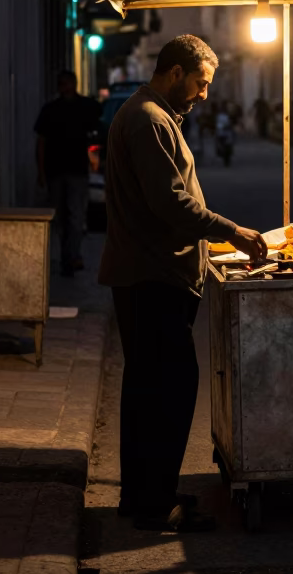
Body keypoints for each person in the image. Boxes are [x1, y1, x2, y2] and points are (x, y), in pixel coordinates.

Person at [98, 35, 268, 533]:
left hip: (150, 275)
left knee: (150, 391)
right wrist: (231, 231)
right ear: (175, 73)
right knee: (166, 392)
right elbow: (172, 203)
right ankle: (153, 506)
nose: (204, 95)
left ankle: (145, 496)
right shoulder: (149, 119)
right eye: (200, 83)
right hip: (151, 279)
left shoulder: (152, 115)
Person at [34, 70, 101, 276]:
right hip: (57, 172)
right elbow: (41, 143)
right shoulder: (51, 110)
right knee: (62, 217)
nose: (62, 87)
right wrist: (41, 171)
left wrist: (94, 159)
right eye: (60, 84)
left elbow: (96, 134)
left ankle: (72, 255)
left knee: (75, 216)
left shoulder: (85, 107)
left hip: (77, 171)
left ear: (73, 84)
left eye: (65, 83)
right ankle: (68, 256)